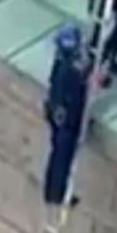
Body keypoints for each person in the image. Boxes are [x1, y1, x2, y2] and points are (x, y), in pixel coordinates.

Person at [42, 24, 91, 207]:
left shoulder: (60, 64)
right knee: (62, 159)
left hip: (59, 119)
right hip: (65, 123)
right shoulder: (66, 70)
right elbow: (73, 95)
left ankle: (51, 192)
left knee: (56, 156)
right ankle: (58, 194)